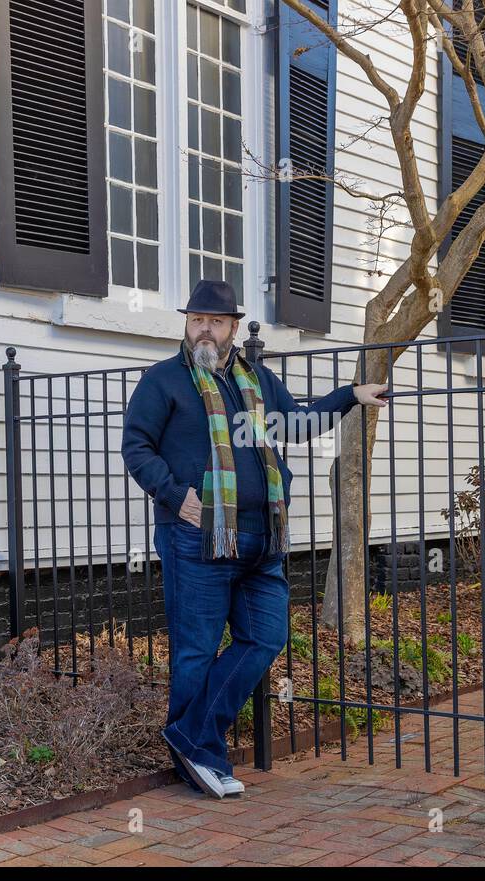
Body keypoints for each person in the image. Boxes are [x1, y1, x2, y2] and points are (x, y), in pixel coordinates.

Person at [121, 279, 389, 798]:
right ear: (186, 323)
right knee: (195, 651)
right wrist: (175, 495)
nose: (204, 328)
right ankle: (200, 758)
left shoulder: (257, 380)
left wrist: (351, 396)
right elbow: (137, 447)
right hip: (195, 537)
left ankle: (190, 738)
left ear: (232, 329)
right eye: (196, 318)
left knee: (265, 636)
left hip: (260, 537)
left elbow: (297, 425)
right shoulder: (164, 381)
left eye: (215, 321)